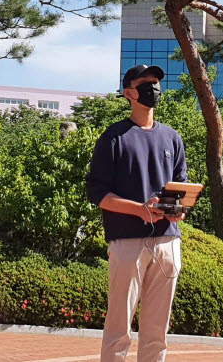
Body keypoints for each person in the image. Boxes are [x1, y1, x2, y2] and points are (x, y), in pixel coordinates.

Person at [86, 64, 189, 362]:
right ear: (129, 92)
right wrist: (139, 211)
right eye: (146, 83)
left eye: (156, 82)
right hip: (127, 242)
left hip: (168, 242)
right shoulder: (114, 137)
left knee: (158, 330)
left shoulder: (172, 138)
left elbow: (179, 186)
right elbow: (97, 192)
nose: (154, 88)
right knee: (119, 326)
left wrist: (178, 211)